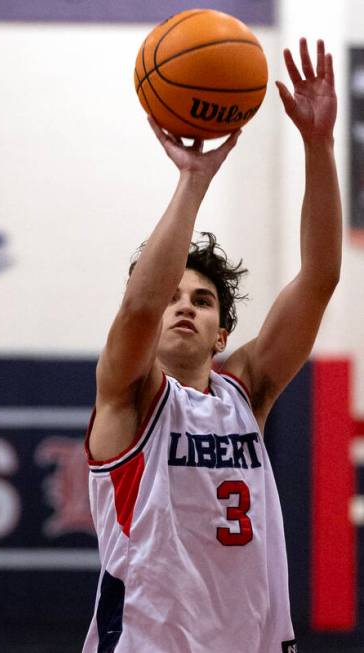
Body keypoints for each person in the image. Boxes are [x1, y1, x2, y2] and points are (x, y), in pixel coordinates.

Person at [82, 38, 340, 652]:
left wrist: (318, 145)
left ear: (221, 334)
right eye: (175, 295)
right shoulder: (129, 396)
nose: (183, 307)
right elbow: (140, 306)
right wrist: (194, 179)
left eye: (202, 301)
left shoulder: (244, 391)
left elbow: (320, 277)